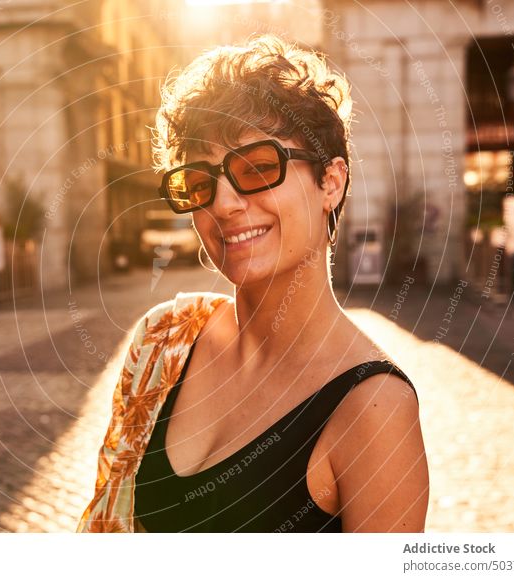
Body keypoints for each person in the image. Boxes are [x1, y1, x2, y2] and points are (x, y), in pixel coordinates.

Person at [78, 34, 429, 533]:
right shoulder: (163, 341)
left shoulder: (374, 410)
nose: (222, 204)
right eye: (198, 183)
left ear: (331, 182)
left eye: (259, 167)